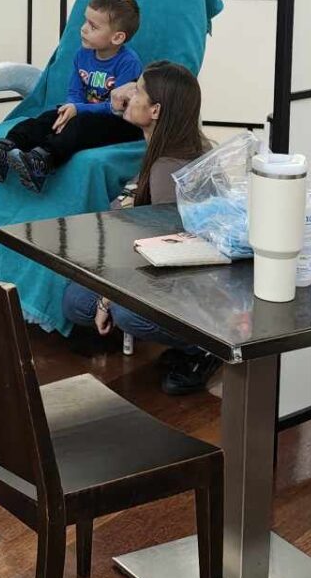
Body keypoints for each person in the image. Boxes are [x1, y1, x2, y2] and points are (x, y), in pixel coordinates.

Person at [57, 60, 221, 395]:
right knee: (76, 299)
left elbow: (168, 255)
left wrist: (108, 297)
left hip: (184, 281)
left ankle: (204, 346)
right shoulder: (170, 143)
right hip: (156, 265)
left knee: (125, 313)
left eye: (138, 90)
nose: (129, 94)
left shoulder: (167, 170)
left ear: (156, 110)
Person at [0, 0, 145, 192]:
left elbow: (116, 107)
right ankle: (5, 148)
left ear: (117, 37)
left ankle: (43, 162)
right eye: (85, 21)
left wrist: (77, 110)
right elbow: (74, 91)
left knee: (78, 125)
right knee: (47, 118)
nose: (83, 28)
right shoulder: (82, 55)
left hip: (117, 122)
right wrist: (69, 107)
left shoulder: (128, 63)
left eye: (93, 26)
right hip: (84, 113)